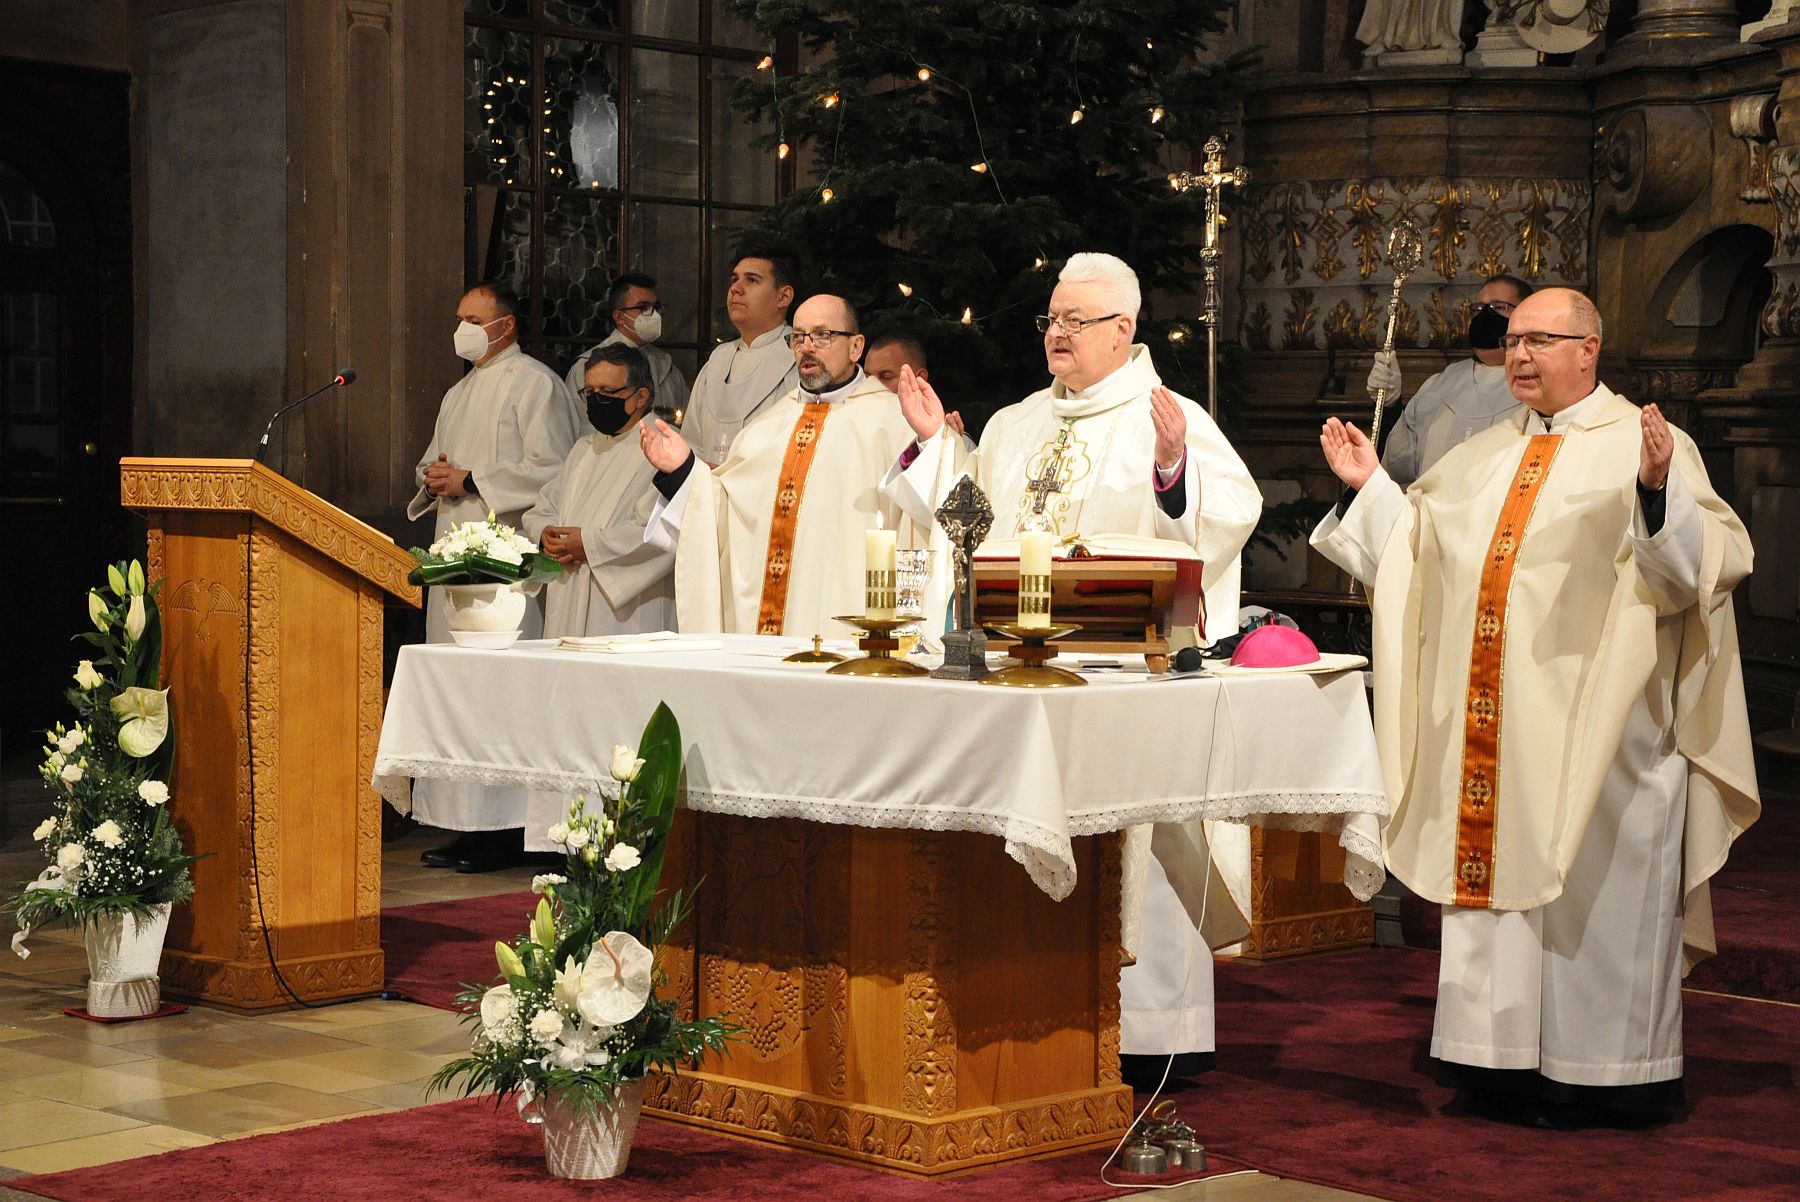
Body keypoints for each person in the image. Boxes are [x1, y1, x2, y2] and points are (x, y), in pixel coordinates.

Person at [1312, 287, 1759, 1126]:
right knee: (1496, 886)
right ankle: (1497, 1064)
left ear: (1589, 348)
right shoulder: (1480, 454)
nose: (1518, 356)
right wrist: (1371, 489)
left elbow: (1697, 573)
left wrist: (1656, 496)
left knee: (1598, 892)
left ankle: (1610, 1074)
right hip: (1495, 725)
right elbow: (1417, 554)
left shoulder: (1645, 442)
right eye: (1512, 342)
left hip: (1608, 732)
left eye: (1539, 341)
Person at [889, 251, 1265, 1087]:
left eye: (1074, 321)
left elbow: (1227, 516)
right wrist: (935, 449)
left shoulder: (1171, 414)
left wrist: (1173, 471)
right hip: (1024, 673)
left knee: (1135, 845)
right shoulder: (1020, 421)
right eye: (1051, 320)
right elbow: (974, 527)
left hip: (1121, 678)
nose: (1056, 334)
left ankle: (1154, 1034)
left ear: (1123, 331)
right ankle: (1044, 1009)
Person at [640, 293, 947, 639]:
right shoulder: (766, 428)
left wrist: (931, 441)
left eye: (822, 335)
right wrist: (683, 469)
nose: (807, 347)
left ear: (856, 346)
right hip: (767, 639)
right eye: (798, 337)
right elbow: (722, 516)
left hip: (851, 628)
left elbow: (936, 504)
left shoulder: (894, 421)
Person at [406, 280, 583, 871]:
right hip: (454, 550)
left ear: (503, 326)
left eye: (471, 318)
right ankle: (464, 822)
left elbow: (554, 466)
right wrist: (433, 476)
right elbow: (436, 455)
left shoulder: (536, 383)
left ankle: (506, 828)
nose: (461, 327)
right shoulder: (460, 391)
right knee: (460, 692)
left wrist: (475, 481)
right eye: (459, 317)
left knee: (499, 695)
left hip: (503, 559)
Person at [526, 342, 674, 638]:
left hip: (625, 612)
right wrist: (546, 535)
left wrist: (589, 545)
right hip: (569, 594)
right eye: (590, 393)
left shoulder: (668, 451)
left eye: (607, 392)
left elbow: (664, 534)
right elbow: (544, 508)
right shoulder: (584, 448)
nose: (596, 401)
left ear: (640, 397)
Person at [1366, 274, 1531, 486]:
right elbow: (1400, 466)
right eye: (1480, 308)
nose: (1486, 316)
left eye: (1498, 308)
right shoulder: (1440, 384)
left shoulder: (1534, 387)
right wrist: (1389, 404)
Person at [676, 237, 803, 466]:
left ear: (783, 297)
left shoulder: (800, 358)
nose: (735, 289)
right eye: (734, 280)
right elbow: (691, 442)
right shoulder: (716, 361)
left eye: (752, 280)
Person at [563, 271, 691, 423]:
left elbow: (685, 421)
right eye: (643, 308)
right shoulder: (587, 367)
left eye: (656, 307)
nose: (653, 315)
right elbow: (578, 425)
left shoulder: (667, 368)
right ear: (619, 317)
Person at [864, 327, 966, 442]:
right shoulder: (852, 424)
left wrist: (945, 449)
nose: (871, 385)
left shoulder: (950, 436)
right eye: (867, 377)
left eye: (886, 377)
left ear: (920, 378)